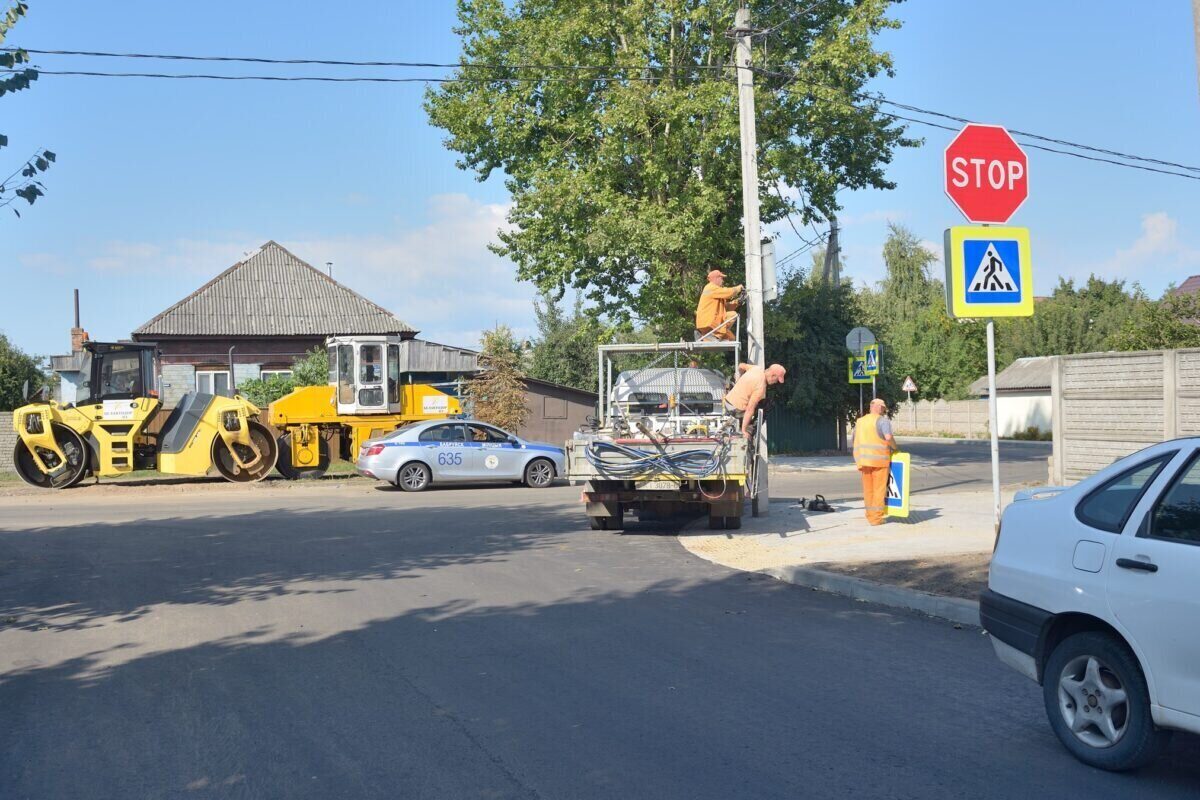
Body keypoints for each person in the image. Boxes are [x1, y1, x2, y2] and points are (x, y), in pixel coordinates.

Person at [853, 398, 899, 525]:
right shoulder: (882, 421)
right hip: (879, 461)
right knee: (879, 490)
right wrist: (895, 447)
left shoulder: (860, 421)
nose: (884, 410)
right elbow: (888, 438)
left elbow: (854, 439)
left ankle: (869, 515)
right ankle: (876, 518)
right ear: (878, 407)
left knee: (868, 490)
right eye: (883, 408)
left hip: (863, 461)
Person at [724, 363, 786, 438]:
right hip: (735, 410)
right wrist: (744, 431)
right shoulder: (761, 387)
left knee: (757, 402)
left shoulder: (756, 368)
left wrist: (739, 375)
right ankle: (749, 430)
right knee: (768, 404)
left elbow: (741, 365)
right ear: (773, 375)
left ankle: (744, 423)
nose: (775, 383)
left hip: (727, 403)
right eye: (776, 380)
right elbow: (750, 409)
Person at [695, 269, 743, 341]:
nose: (723, 281)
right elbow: (728, 292)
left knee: (731, 338)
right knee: (733, 315)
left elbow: (725, 307)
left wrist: (737, 302)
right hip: (708, 322)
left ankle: (704, 338)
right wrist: (738, 288)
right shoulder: (711, 287)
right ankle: (716, 336)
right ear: (716, 279)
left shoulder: (716, 291)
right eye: (721, 278)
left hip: (709, 324)